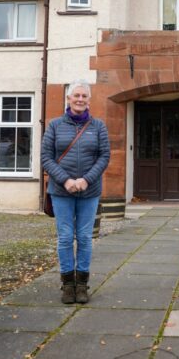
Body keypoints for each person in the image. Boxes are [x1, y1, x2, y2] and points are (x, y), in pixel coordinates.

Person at [41, 80, 110, 304]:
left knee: (84, 238)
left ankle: (82, 285)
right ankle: (67, 285)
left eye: (84, 96)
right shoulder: (54, 125)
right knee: (65, 238)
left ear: (89, 100)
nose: (80, 99)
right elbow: (46, 158)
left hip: (89, 191)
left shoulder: (98, 126)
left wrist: (86, 180)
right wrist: (66, 180)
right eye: (76, 95)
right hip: (62, 191)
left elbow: (104, 157)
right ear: (68, 99)